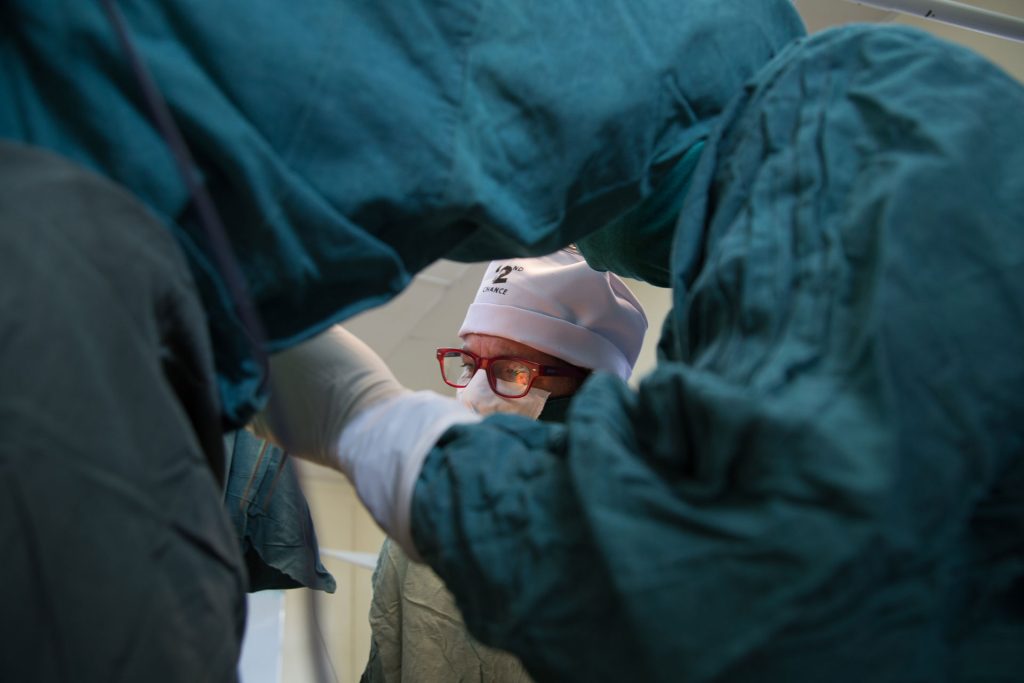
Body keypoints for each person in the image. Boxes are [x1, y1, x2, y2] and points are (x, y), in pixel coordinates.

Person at [2, 2, 1022, 682]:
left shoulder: (859, 107)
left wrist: (377, 426)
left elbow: (750, 558)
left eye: (518, 370)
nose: (484, 387)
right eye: (470, 363)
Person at [361, 249, 648, 683]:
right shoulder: (426, 517)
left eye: (513, 371)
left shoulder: (646, 531)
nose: (475, 394)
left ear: (591, 390)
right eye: (469, 364)